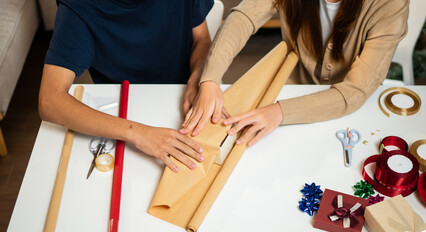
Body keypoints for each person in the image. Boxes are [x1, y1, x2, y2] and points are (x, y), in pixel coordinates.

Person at [180, 0, 408, 146]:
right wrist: (209, 82)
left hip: (347, 110)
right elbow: (242, 19)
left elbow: (355, 91)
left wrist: (281, 112)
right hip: (291, 87)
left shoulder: (391, 3)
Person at [38, 0, 214, 172]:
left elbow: (202, 39)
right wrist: (136, 133)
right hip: (120, 114)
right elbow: (49, 102)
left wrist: (196, 78)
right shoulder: (78, 8)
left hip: (184, 99)